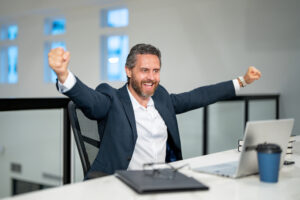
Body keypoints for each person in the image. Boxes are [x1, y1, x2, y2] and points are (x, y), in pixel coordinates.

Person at [48, 43, 261, 178]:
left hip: (162, 181)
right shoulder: (112, 99)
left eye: (156, 71)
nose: (151, 77)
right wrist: (64, 75)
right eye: (144, 70)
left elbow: (198, 96)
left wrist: (241, 81)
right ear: (128, 71)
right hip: (121, 184)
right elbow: (91, 102)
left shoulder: (161, 98)